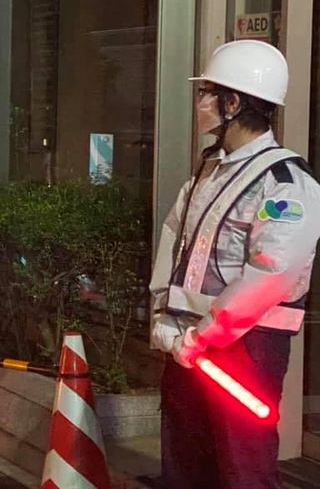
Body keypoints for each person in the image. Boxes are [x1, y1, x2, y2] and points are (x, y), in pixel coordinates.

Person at [149, 40, 320, 488]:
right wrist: (165, 319)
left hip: (245, 351)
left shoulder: (285, 182)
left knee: (242, 470)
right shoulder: (210, 171)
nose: (199, 103)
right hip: (188, 345)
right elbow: (175, 242)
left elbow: (271, 274)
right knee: (186, 468)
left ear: (233, 103)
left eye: (207, 92)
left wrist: (200, 337)